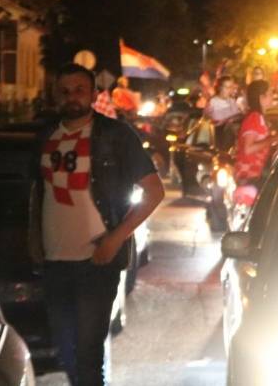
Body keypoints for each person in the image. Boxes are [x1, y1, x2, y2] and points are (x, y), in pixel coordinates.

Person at [33, 63, 165, 386]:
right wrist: (33, 240)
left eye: (79, 90)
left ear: (94, 95)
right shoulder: (46, 136)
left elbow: (154, 192)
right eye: (65, 91)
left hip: (96, 261)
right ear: (56, 96)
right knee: (66, 352)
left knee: (88, 357)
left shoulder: (115, 136)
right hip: (54, 262)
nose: (72, 97)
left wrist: (115, 239)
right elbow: (37, 191)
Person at [233, 80, 278, 188]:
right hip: (248, 177)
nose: (273, 97)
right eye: (270, 94)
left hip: (256, 176)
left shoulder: (260, 118)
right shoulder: (253, 118)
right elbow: (248, 149)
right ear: (261, 97)